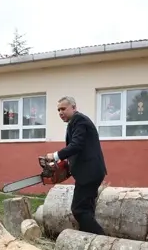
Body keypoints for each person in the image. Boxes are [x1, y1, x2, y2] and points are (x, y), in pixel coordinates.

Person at [46, 96, 107, 235]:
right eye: (58, 110)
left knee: (79, 210)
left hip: (89, 173)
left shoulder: (79, 120)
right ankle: (90, 238)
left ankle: (102, 240)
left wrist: (55, 156)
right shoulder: (75, 122)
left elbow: (77, 145)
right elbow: (81, 147)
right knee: (87, 209)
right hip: (89, 172)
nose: (60, 112)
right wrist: (67, 164)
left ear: (73, 107)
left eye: (63, 109)